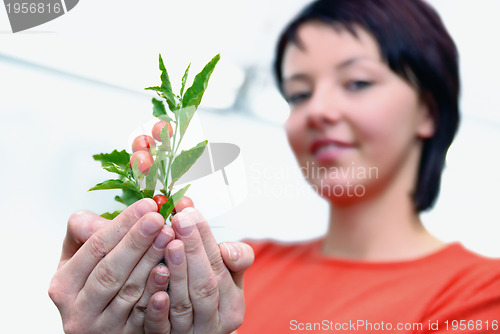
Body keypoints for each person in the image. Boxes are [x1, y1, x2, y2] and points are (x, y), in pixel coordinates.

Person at [49, 0, 500, 333]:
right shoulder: (227, 272)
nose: (317, 110)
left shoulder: (480, 295)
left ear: (429, 112)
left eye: (357, 82)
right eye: (298, 93)